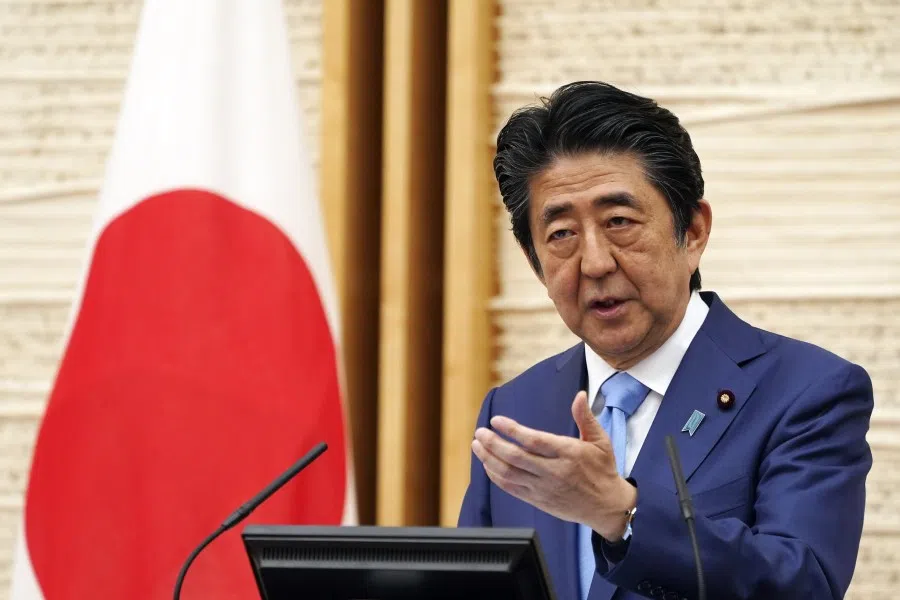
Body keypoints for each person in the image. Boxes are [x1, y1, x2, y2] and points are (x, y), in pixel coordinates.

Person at [457, 81, 873, 600]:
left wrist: (623, 513)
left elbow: (802, 585)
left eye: (619, 222)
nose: (595, 263)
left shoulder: (806, 391)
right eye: (561, 234)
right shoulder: (515, 410)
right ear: (535, 261)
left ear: (693, 232)